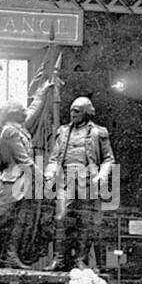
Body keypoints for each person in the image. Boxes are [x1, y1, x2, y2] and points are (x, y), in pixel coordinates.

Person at [0, 57, 59, 269]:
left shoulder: (20, 127)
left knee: (21, 220)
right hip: (13, 180)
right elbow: (23, 159)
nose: (24, 112)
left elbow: (34, 109)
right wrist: (43, 179)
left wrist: (44, 91)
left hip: (25, 181)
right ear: (13, 113)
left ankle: (10, 255)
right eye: (20, 110)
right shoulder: (9, 130)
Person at [45, 96, 115, 271]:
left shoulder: (99, 132)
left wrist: (102, 175)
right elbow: (54, 158)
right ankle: (59, 259)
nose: (72, 113)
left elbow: (108, 158)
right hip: (67, 177)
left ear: (86, 112)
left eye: (76, 110)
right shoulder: (63, 132)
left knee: (85, 221)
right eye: (71, 110)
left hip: (87, 179)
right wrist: (49, 173)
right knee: (61, 218)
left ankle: (80, 260)